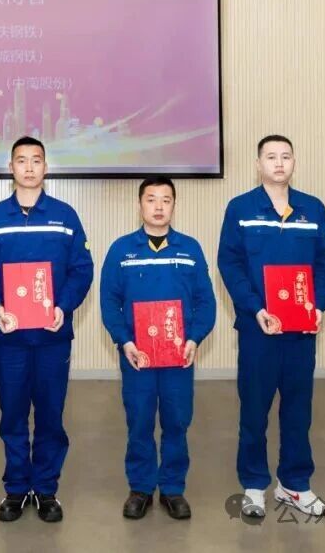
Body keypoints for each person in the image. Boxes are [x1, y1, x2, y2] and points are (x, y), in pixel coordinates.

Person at [0, 136, 94, 523]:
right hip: (10, 338)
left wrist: (63, 306)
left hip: (53, 337)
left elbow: (82, 269)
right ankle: (16, 488)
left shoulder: (65, 216)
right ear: (11, 168)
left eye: (36, 160)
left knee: (51, 415)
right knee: (13, 415)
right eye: (21, 160)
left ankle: (47, 489)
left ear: (45, 167)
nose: (28, 167)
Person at [217, 135, 325, 518]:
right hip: (259, 330)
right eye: (271, 157)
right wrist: (254, 309)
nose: (279, 163)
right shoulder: (241, 209)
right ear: (259, 164)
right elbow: (229, 264)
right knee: (254, 410)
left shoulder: (312, 209)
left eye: (286, 156)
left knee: (298, 409)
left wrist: (318, 306)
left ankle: (294, 484)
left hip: (301, 332)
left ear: (294, 162)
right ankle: (254, 485)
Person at [100, 176, 216, 520]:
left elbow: (205, 301)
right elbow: (109, 301)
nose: (159, 206)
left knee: (177, 421)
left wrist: (194, 338)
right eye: (151, 199)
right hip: (138, 357)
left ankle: (172, 488)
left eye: (166, 199)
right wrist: (124, 341)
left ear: (174, 205)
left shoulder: (189, 249)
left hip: (178, 357)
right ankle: (140, 487)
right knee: (139, 420)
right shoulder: (121, 250)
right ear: (140, 205)